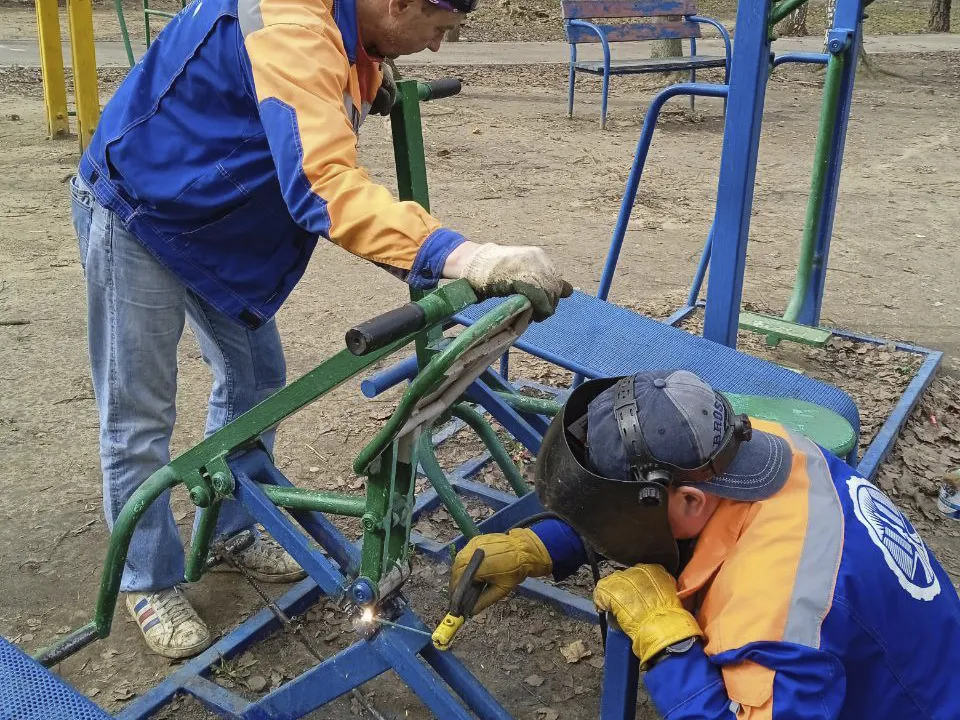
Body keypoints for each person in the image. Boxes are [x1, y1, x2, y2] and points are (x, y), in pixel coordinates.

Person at [70, 0, 571, 659]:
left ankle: (232, 527)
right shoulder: (295, 26)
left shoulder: (356, 28)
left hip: (212, 220)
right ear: (397, 5)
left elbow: (317, 81)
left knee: (256, 379)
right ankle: (146, 579)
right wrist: (465, 256)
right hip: (144, 212)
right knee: (139, 413)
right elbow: (322, 180)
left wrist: (366, 68)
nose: (441, 47)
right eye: (439, 29)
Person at [451, 369, 960, 718]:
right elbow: (643, 512)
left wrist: (668, 646)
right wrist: (541, 546)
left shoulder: (773, 616)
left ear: (691, 500)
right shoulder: (753, 445)